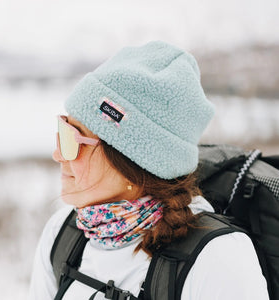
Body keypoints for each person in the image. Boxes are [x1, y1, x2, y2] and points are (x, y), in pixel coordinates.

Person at [29, 41, 269, 300]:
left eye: (72, 140)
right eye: (62, 131)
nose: (58, 155)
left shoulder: (217, 260)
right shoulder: (63, 236)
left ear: (131, 164)